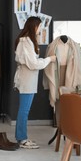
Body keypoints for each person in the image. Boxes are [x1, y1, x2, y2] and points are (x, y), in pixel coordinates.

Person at [13, 16, 57, 149]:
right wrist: (49, 59)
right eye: (39, 26)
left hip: (28, 80)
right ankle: (22, 139)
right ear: (34, 26)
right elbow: (33, 64)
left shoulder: (28, 41)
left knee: (24, 110)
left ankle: (22, 137)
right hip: (26, 81)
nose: (40, 29)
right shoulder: (26, 42)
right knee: (24, 110)